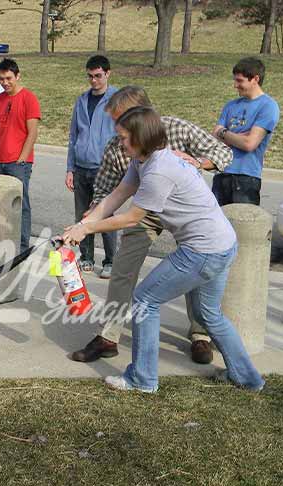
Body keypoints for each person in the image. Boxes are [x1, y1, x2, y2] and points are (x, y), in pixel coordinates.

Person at [62, 106, 264, 393]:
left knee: (145, 301)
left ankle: (142, 379)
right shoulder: (144, 160)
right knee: (209, 314)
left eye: (123, 138)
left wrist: (89, 229)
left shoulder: (159, 170)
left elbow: (133, 217)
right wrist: (81, 225)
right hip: (221, 245)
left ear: (141, 138)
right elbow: (117, 195)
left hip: (203, 251)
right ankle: (248, 379)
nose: (119, 143)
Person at [70, 86, 232, 366]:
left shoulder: (177, 129)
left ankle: (200, 335)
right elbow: (110, 189)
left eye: (121, 120)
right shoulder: (118, 145)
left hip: (185, 214)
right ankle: (109, 336)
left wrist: (200, 162)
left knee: (195, 268)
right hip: (143, 211)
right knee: (123, 267)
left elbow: (222, 151)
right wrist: (88, 219)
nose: (116, 130)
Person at [66, 55, 118, 279]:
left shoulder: (116, 99)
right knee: (83, 215)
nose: (94, 80)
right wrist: (70, 168)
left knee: (104, 216)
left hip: (104, 168)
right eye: (90, 76)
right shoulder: (82, 100)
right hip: (81, 167)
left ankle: (110, 260)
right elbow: (73, 135)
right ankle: (86, 256)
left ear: (107, 74)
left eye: (98, 76)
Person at [211, 57, 280, 206]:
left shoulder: (268, 106)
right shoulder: (230, 105)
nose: (235, 85)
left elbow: (249, 144)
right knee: (216, 228)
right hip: (221, 174)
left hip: (246, 179)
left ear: (255, 79)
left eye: (240, 81)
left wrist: (224, 133)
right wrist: (236, 137)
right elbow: (214, 137)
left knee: (243, 228)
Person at [0, 58, 41, 251]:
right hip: (0, 161)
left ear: (17, 76)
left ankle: (21, 244)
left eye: (9, 78)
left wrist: (21, 160)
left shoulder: (28, 98)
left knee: (20, 205)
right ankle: (3, 241)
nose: (5, 82)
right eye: (1, 79)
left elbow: (32, 132)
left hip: (18, 163)